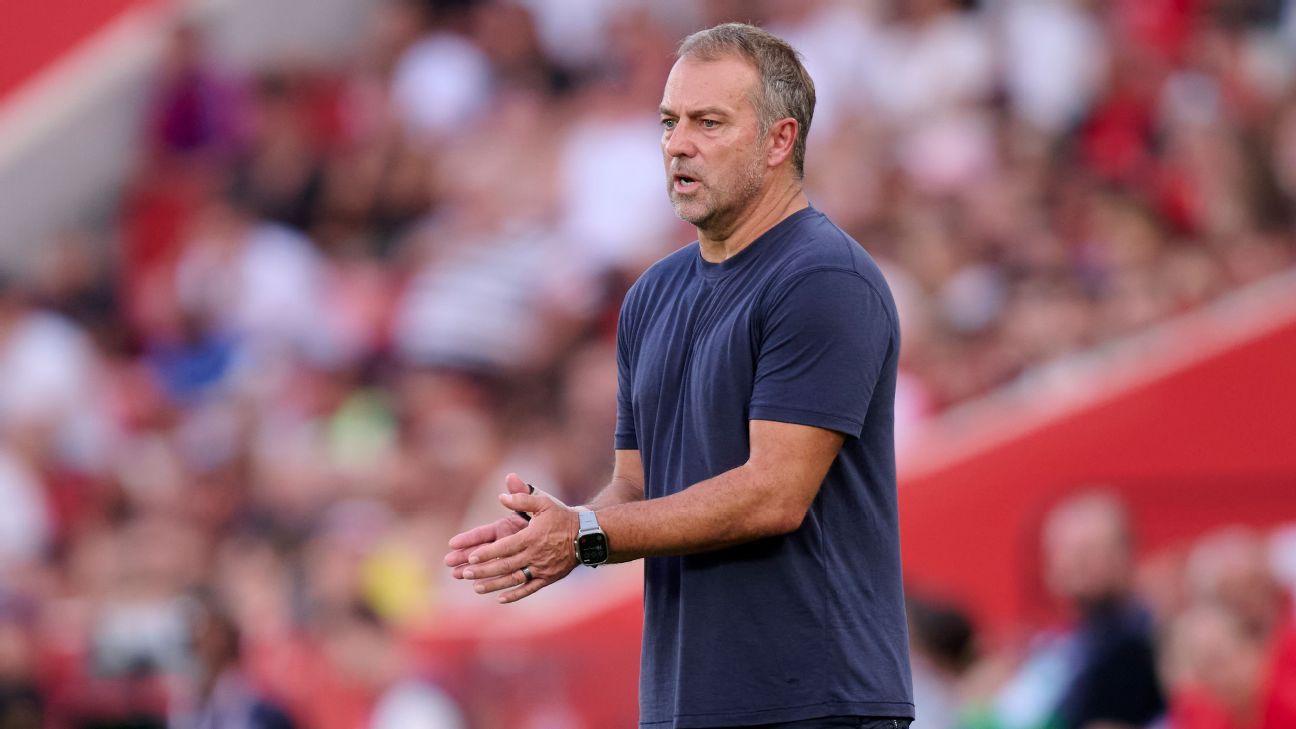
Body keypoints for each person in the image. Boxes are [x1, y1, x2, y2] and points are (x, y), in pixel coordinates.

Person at [444, 22, 913, 729]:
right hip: (684, 702)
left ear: (779, 140)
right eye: (669, 123)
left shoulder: (824, 278)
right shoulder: (652, 295)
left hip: (815, 701)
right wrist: (556, 531)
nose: (677, 145)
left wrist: (587, 534)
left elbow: (774, 494)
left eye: (708, 123)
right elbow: (635, 489)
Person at [990, 490, 1165, 729]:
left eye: (1088, 551)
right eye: (1063, 551)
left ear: (1126, 553)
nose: (1075, 563)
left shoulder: (1145, 642)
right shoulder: (1058, 644)